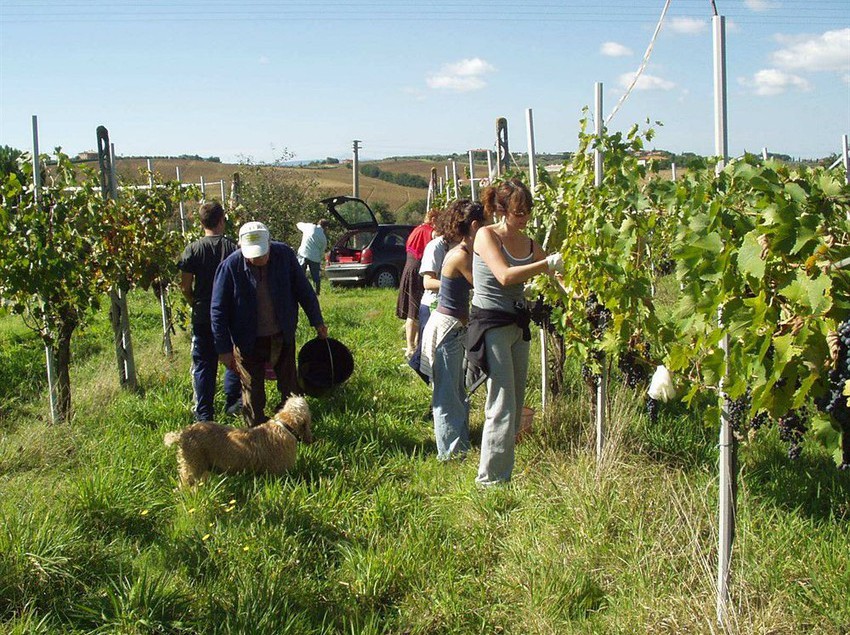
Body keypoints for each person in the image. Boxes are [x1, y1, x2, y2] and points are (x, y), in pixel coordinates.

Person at [467, 179, 563, 486]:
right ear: (500, 209)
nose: (523, 217)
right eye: (517, 211)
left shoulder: (530, 243)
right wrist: (546, 265)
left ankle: (502, 474)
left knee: (517, 401)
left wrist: (576, 296)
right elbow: (506, 276)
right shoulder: (486, 236)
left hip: (517, 326)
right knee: (502, 402)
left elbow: (557, 276)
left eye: (527, 211)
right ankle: (490, 480)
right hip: (492, 326)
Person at [211, 221, 328, 426]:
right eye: (253, 256)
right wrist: (224, 349)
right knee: (252, 393)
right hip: (248, 341)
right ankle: (256, 438)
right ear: (241, 248)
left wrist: (317, 321)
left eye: (262, 254)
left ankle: (294, 431)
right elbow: (218, 310)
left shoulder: (285, 256)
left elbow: (304, 290)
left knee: (290, 388)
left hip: (281, 335)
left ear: (269, 244)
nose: (258, 259)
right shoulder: (229, 267)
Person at [419, 200, 486, 460]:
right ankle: (449, 453)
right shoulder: (460, 255)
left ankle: (458, 447)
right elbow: (482, 284)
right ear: (474, 226)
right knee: (447, 396)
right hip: (447, 332)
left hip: (453, 330)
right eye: (486, 225)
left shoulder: (464, 252)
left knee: (456, 393)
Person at [177, 200, 242, 421]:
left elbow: (185, 286)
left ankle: (204, 415)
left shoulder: (193, 250)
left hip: (203, 315)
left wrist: (195, 301)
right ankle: (233, 404)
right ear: (222, 220)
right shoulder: (234, 248)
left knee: (204, 364)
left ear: (201, 222)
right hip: (229, 315)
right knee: (232, 359)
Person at [396, 208, 438, 360]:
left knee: (412, 309)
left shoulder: (416, 229)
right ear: (433, 220)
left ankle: (412, 344)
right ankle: (411, 347)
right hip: (418, 270)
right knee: (415, 310)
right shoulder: (429, 232)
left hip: (409, 268)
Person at [296, 218, 329, 295]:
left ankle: (300, 291)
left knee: (300, 275)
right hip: (314, 258)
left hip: (303, 254)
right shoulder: (323, 238)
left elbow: (298, 224)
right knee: (315, 277)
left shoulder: (309, 227)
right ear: (326, 227)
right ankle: (317, 292)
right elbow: (322, 251)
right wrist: (319, 259)